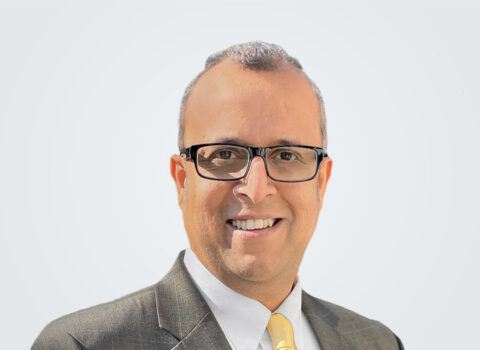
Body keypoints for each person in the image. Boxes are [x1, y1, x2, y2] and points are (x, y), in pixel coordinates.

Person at [32, 41, 404, 350]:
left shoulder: (378, 343)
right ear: (182, 180)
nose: (256, 190)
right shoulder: (83, 345)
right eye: (225, 155)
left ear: (321, 183)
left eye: (287, 155)